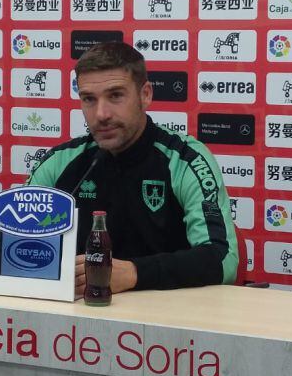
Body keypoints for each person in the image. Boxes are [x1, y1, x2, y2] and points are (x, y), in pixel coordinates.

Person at [28, 41, 237, 295]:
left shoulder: (185, 159)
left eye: (115, 95)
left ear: (145, 94)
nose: (101, 113)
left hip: (167, 321)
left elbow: (222, 259)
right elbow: (16, 248)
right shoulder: (58, 163)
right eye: (89, 99)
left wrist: (135, 274)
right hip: (78, 321)